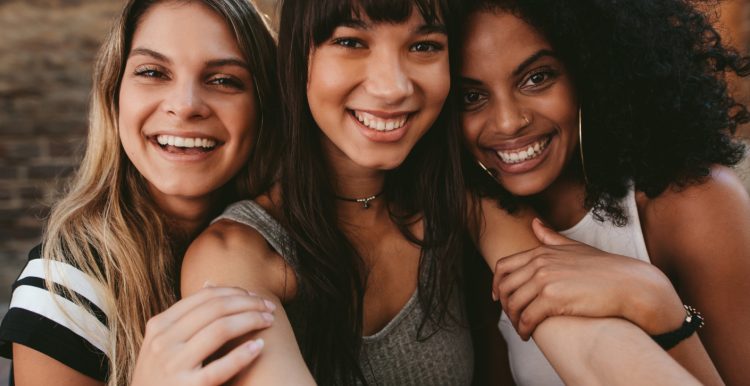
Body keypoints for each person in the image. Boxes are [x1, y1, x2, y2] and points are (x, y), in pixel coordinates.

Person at [181, 0, 708, 385]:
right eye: (350, 41)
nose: (392, 87)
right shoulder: (234, 256)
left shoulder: (464, 202)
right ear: (298, 58)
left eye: (423, 46)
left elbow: (590, 342)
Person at [458, 0, 750, 384]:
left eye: (537, 77)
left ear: (589, 69)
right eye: (471, 97)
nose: (509, 121)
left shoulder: (694, 202)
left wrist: (653, 299)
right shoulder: (475, 224)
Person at [0, 1, 282, 385]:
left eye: (223, 80)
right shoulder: (65, 290)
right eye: (152, 72)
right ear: (113, 95)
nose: (184, 106)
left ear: (265, 106)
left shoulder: (290, 250)